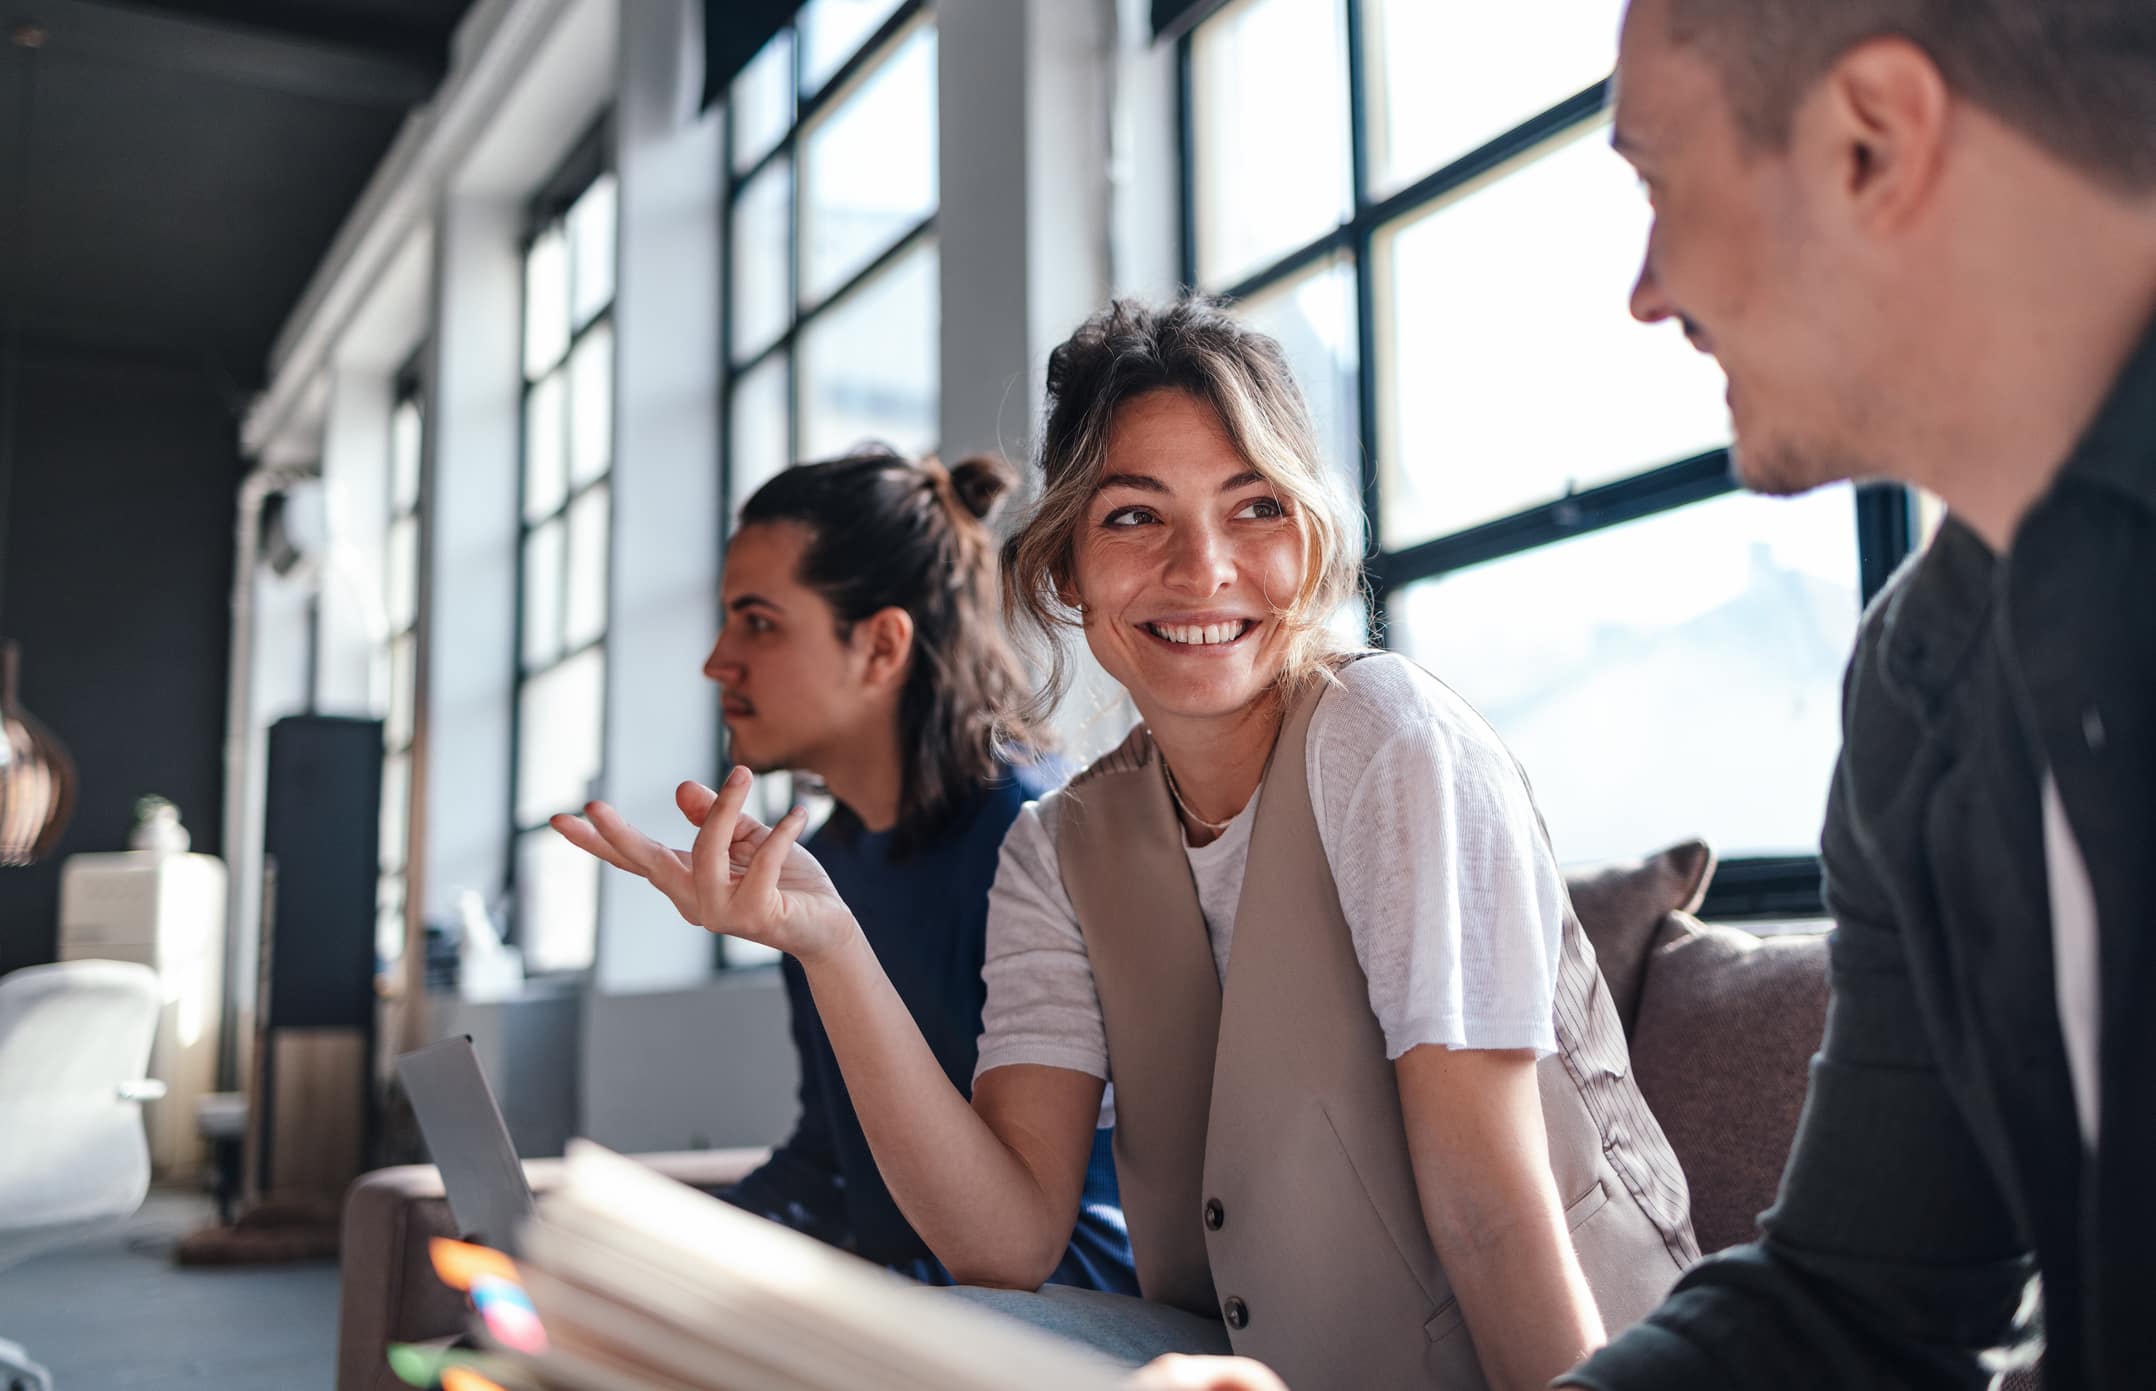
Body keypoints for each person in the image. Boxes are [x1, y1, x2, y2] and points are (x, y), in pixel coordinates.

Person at [558, 299, 1697, 1390]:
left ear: (1310, 539)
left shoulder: (1386, 736)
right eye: (1135, 516)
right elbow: (1003, 1242)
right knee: (940, 1338)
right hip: (1264, 1363)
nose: (1201, 568)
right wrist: (829, 942)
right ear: (1065, 566)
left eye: (1256, 506)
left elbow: (1491, 1210)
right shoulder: (1055, 849)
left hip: (1566, 1359)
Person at [1555, 1, 2156, 1387]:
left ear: (1871, 143)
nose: (1646, 290)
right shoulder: (1925, 686)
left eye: (1657, 183)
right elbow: (1854, 1303)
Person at [558, 446, 1136, 1293]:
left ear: (880, 646)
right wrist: (648, 1259)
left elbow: (1083, 1246)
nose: (717, 662)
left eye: (758, 622)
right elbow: (833, 1165)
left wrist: (832, 1311)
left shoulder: (1037, 845)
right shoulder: (819, 868)